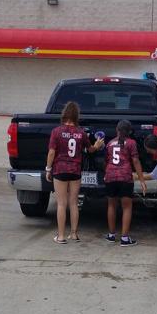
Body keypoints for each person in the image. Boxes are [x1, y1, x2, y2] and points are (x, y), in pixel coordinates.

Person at [45, 101, 103, 244]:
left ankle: (61, 236)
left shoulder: (56, 131)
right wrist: (97, 145)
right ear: (77, 116)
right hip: (75, 170)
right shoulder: (81, 133)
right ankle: (74, 234)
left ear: (64, 114)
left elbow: (51, 152)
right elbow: (90, 150)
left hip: (60, 170)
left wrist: (48, 169)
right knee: (73, 203)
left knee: (61, 204)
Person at [104, 120, 148, 246]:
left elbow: (106, 160)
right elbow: (135, 161)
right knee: (127, 207)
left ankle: (111, 235)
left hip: (110, 176)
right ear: (129, 131)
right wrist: (142, 180)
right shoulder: (131, 143)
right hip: (125, 177)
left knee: (111, 205)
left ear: (117, 130)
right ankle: (124, 238)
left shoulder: (110, 143)